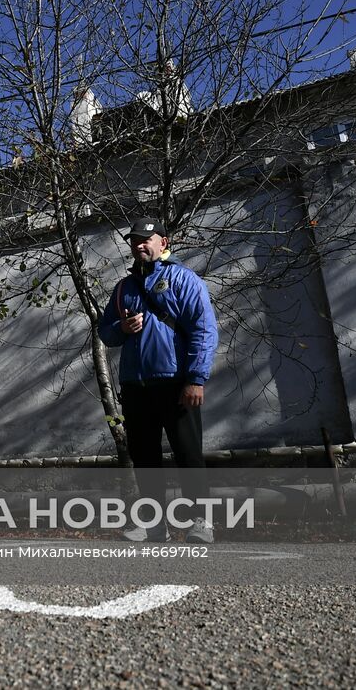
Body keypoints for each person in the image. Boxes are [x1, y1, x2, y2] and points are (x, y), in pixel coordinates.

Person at [98, 217, 218, 543]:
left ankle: (200, 521)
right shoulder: (123, 288)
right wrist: (121, 329)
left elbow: (204, 331)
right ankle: (155, 526)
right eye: (135, 240)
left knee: (188, 454)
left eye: (146, 239)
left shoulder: (184, 278)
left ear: (163, 242)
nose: (140, 245)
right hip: (136, 386)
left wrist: (196, 379)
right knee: (146, 458)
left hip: (177, 383)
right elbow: (105, 332)